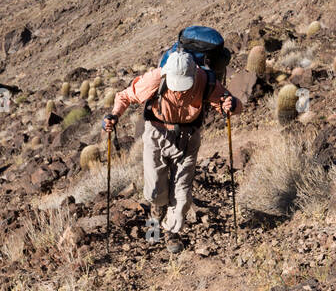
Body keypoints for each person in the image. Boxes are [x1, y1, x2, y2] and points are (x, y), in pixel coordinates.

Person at [103, 48, 243, 253]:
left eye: (183, 85)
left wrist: (232, 104)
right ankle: (154, 217)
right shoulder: (155, 79)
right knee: (154, 190)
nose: (179, 91)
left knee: (182, 194)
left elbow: (231, 107)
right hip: (156, 135)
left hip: (188, 139)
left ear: (194, 74)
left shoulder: (204, 80)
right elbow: (124, 96)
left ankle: (172, 232)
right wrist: (113, 116)